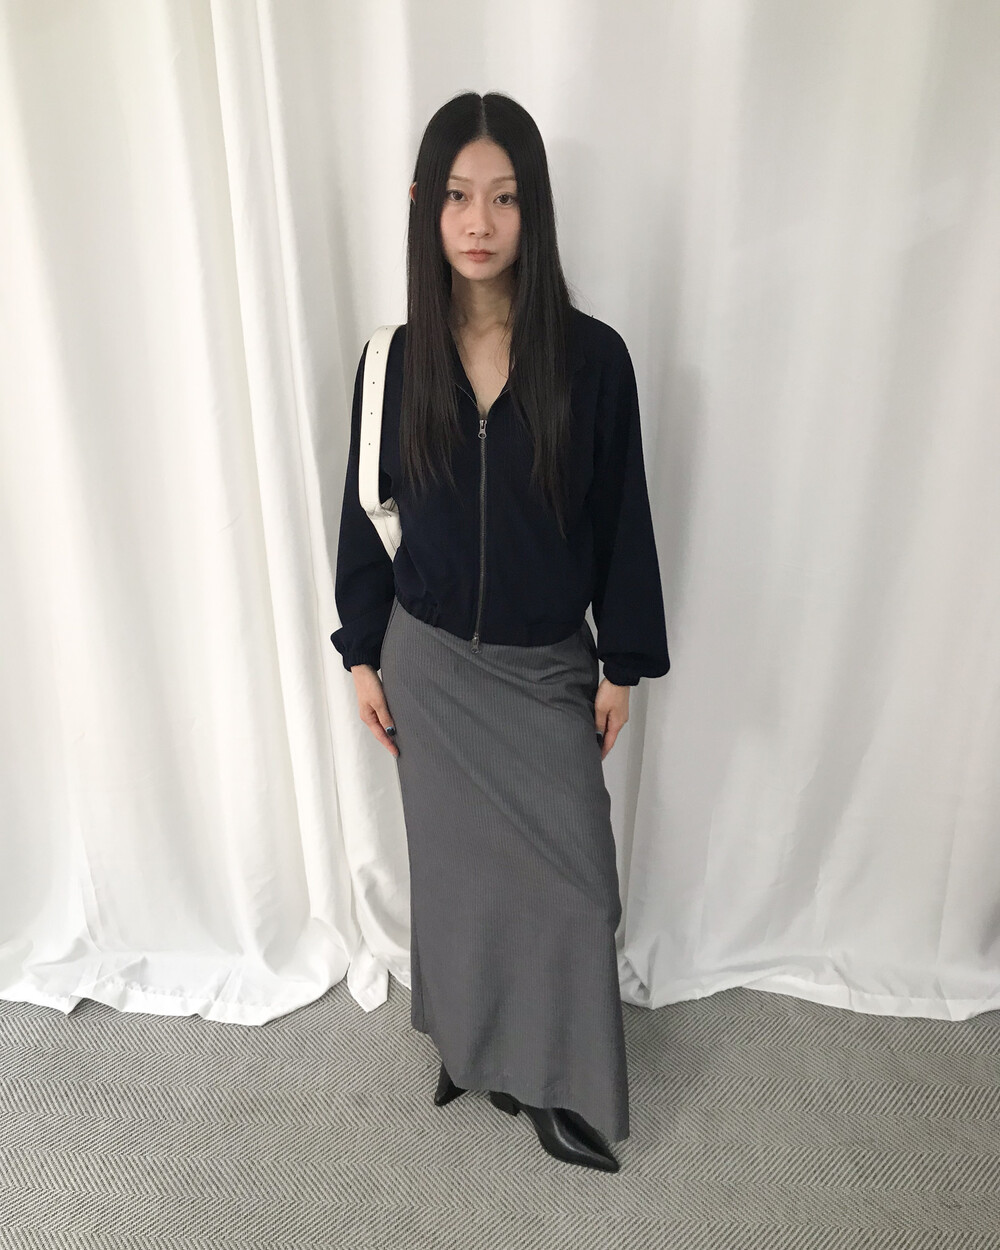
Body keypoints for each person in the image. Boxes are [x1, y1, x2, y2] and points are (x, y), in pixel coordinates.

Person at [330, 91, 669, 1173]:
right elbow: (364, 516)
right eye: (458, 197)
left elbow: (621, 517)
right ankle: (472, 1049)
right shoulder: (391, 362)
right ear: (425, 208)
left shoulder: (594, 361)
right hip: (427, 665)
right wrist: (360, 650)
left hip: (542, 668)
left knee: (576, 888)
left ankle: (558, 1079)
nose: (480, 221)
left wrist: (621, 664)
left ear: (535, 210)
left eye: (506, 198)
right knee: (457, 879)